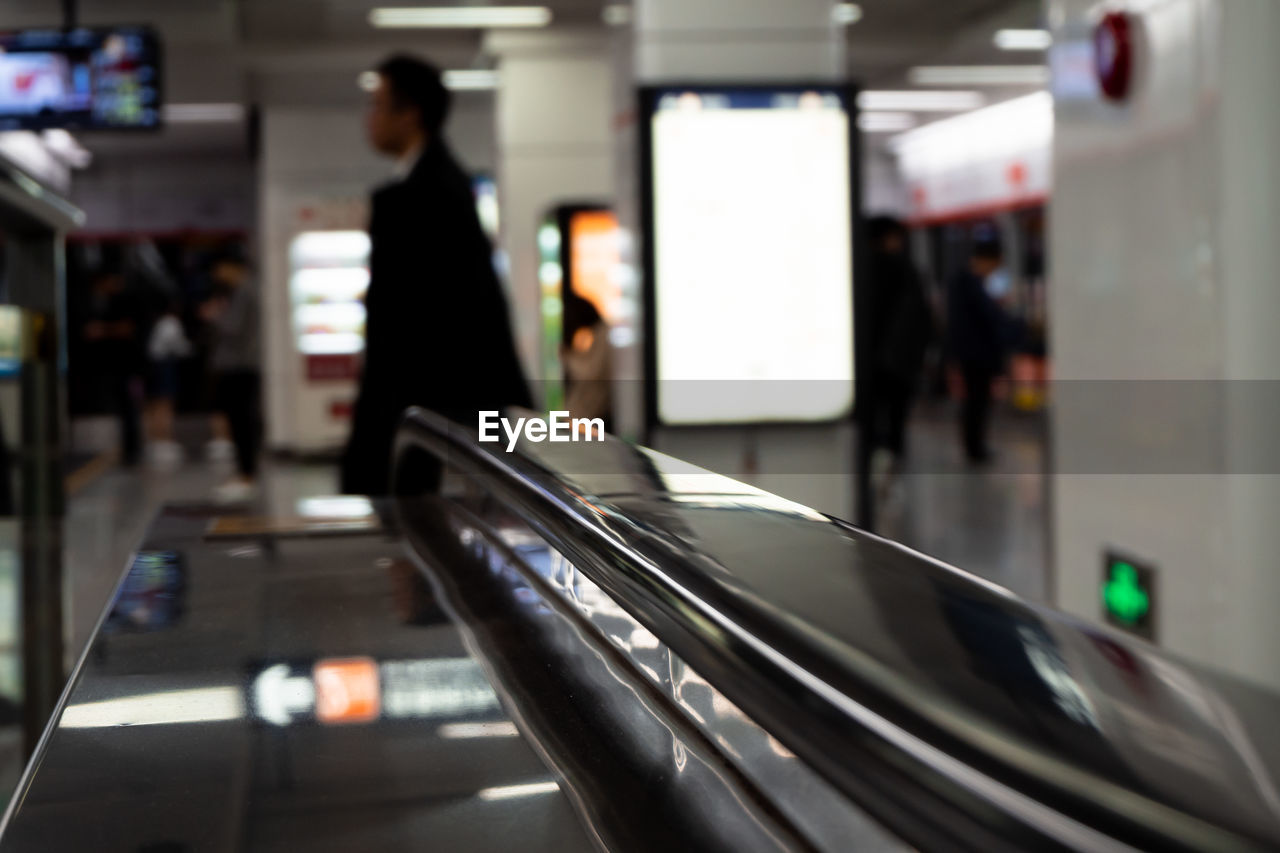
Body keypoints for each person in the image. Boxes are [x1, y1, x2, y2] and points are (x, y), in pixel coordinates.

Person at [341, 54, 531, 495]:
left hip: (429, 409)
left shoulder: (420, 197)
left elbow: (412, 328)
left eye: (377, 104)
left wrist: (377, 435)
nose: (369, 119)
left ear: (411, 114)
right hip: (448, 406)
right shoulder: (441, 185)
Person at [865, 216, 932, 477]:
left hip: (870, 365)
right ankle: (892, 468)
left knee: (872, 422)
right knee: (895, 422)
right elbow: (920, 318)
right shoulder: (905, 271)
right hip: (898, 364)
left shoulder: (858, 270)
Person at [202, 250, 262, 501]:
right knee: (239, 419)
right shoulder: (246, 289)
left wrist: (214, 315)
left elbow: (233, 326)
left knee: (241, 420)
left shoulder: (244, 290)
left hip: (239, 365)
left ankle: (246, 475)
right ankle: (243, 473)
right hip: (241, 365)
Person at [946, 237, 1010, 465]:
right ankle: (975, 448)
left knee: (977, 401)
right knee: (976, 401)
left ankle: (975, 445)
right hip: (975, 354)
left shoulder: (965, 282)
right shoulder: (969, 284)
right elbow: (988, 318)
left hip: (972, 352)